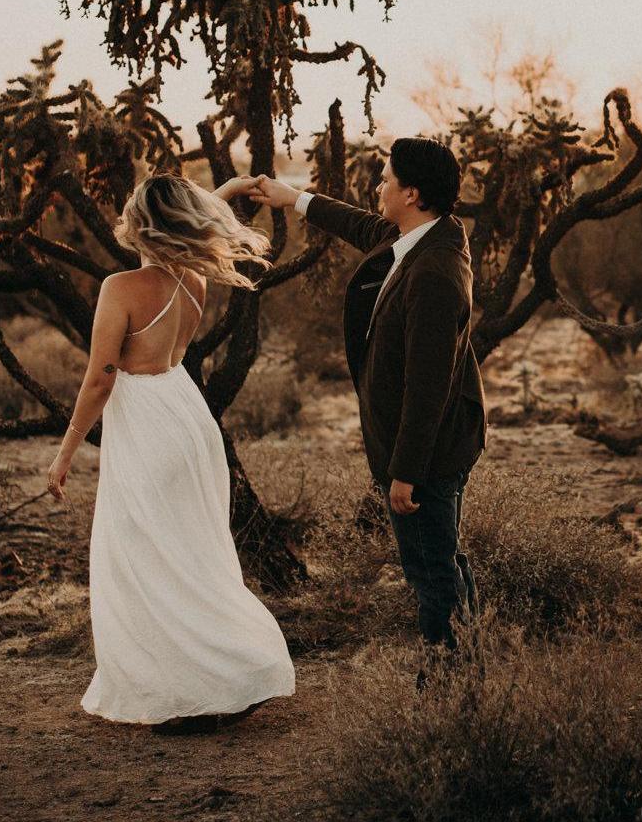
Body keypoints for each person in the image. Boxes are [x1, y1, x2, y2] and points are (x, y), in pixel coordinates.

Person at [44, 172, 295, 727]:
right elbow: (191, 219)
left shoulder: (121, 289)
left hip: (146, 426)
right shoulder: (193, 282)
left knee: (142, 556)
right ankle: (224, 674)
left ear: (142, 225)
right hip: (186, 416)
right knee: (192, 552)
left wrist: (64, 454)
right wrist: (223, 193)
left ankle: (183, 689)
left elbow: (100, 378)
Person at [232, 139, 486, 656]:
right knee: (443, 558)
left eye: (386, 178)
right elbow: (358, 224)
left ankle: (448, 683)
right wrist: (293, 198)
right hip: (429, 443)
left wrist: (406, 471)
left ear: (411, 193)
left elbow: (428, 384)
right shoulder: (419, 238)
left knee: (430, 570)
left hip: (430, 451)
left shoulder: (435, 273)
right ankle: (468, 664)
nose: (378, 186)